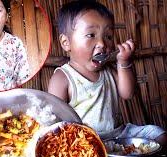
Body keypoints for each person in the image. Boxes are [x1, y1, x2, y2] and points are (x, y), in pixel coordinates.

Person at [48, 1, 166, 148]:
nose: (103, 44)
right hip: (85, 142)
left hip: (120, 135)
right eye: (91, 35)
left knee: (158, 134)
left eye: (108, 37)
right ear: (66, 43)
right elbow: (53, 119)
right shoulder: (63, 77)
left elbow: (128, 93)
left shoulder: (109, 71)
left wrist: (124, 62)